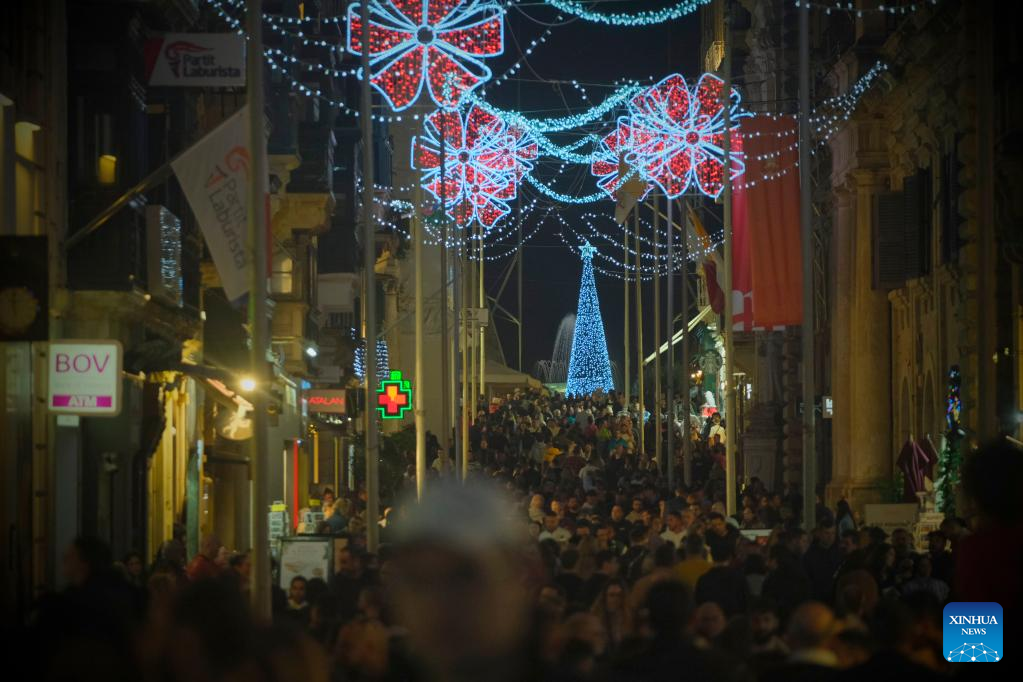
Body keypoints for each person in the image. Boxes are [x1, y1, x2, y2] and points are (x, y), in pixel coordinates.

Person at [759, 602, 840, 682]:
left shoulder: (771, 677)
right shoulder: (847, 677)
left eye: (766, 620)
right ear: (833, 637)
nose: (761, 626)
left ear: (790, 635)